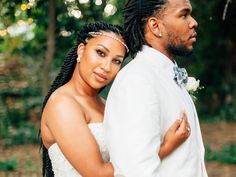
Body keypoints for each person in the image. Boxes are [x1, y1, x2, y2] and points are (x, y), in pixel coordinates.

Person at [40, 22, 190, 177]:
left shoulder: (106, 105)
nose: (106, 67)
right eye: (101, 53)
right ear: (81, 50)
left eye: (116, 61)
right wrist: (165, 147)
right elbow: (97, 173)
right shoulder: (62, 104)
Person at [104, 0, 208, 177]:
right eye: (184, 15)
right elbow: (137, 171)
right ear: (155, 26)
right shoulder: (137, 80)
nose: (193, 22)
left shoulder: (166, 74)